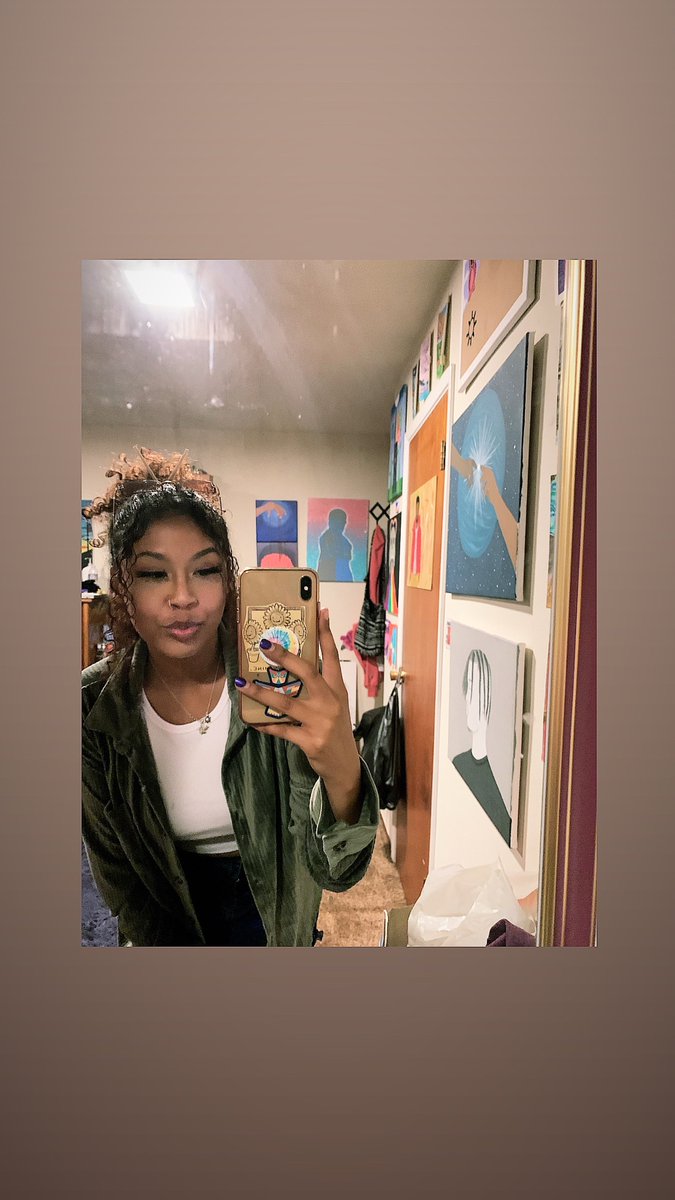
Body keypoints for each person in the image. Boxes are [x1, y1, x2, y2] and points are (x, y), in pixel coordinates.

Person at [82, 449, 379, 946]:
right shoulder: (92, 707)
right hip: (171, 929)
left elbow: (337, 871)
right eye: (154, 573)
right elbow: (123, 888)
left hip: (278, 924)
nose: (183, 596)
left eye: (205, 570)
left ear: (228, 580)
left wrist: (343, 768)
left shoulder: (275, 686)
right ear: (123, 590)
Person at [451, 647, 512, 844]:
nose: (471, 697)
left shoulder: (500, 783)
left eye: (478, 686)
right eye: (469, 686)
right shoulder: (459, 764)